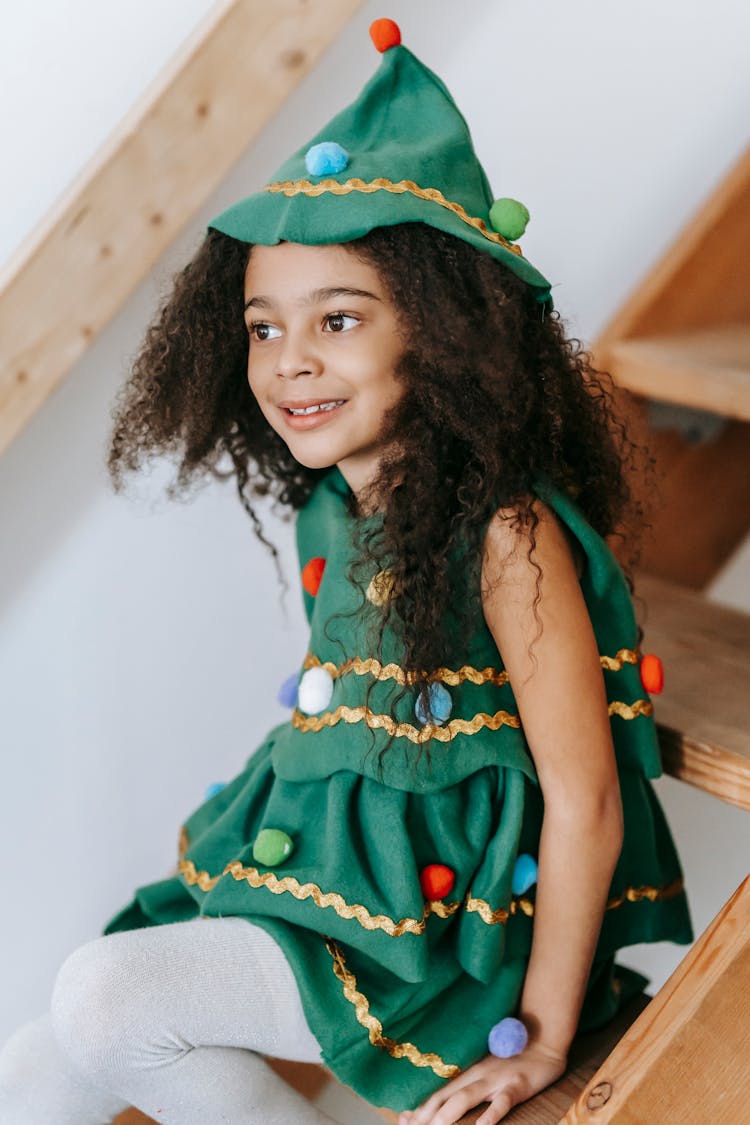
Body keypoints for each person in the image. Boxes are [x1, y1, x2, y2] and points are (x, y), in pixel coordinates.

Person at [0, 17, 693, 1125]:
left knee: (103, 999)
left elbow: (587, 795)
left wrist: (550, 1037)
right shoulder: (335, 510)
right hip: (333, 891)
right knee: (41, 1060)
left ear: (446, 333)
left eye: (340, 319)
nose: (292, 362)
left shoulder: (508, 535)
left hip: (452, 950)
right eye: (263, 328)